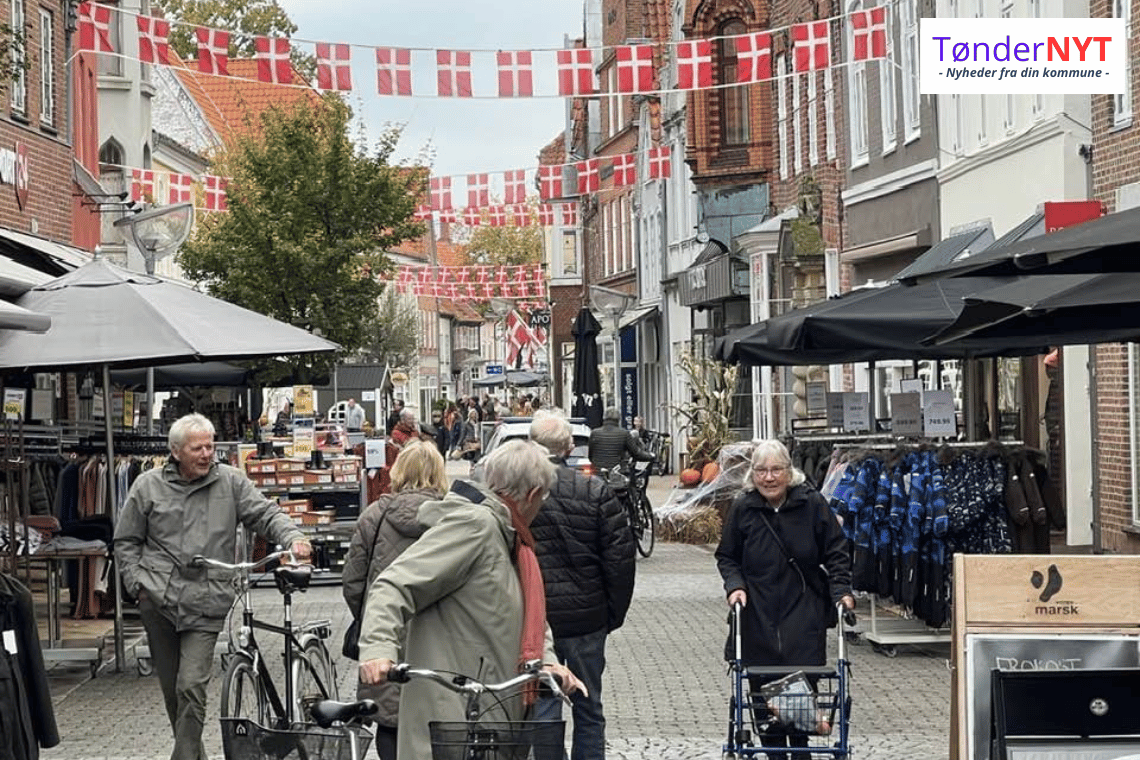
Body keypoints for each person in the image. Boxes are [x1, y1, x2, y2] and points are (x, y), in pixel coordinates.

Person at [358, 440, 586, 760]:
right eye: (545, 496)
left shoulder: (509, 536)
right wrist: (379, 648)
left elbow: (526, 615)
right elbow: (393, 585)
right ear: (533, 495)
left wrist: (547, 659)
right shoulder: (477, 526)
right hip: (459, 720)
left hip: (488, 717)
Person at [114, 413, 312, 760]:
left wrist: (293, 536)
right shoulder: (147, 485)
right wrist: (136, 584)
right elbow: (126, 540)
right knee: (173, 692)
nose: (206, 453)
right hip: (158, 600)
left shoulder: (231, 482)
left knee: (191, 685)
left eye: (210, 445)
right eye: (197, 448)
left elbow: (266, 514)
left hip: (207, 598)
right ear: (176, 451)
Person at [715, 439, 854, 760]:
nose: (768, 477)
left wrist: (842, 592)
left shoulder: (812, 504)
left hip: (802, 613)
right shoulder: (744, 507)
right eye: (761, 470)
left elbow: (836, 552)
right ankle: (773, 753)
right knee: (763, 702)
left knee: (800, 700)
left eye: (776, 469)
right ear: (753, 473)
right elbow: (727, 556)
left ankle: (801, 752)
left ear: (788, 471)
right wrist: (735, 587)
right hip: (757, 615)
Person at [528, 411, 635, 760]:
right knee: (588, 705)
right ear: (569, 447)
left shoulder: (521, 493)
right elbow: (619, 561)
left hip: (535, 617)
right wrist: (611, 615)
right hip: (586, 618)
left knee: (544, 707)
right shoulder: (594, 490)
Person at [342, 441, 448, 760]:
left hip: (387, 637)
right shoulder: (454, 515)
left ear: (399, 472)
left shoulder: (374, 516)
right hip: (441, 636)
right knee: (440, 719)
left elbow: (352, 581)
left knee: (391, 721)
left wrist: (370, 619)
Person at [588, 407, 655, 473]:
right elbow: (636, 453)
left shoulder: (594, 433)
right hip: (618, 473)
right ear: (619, 419)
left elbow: (590, 455)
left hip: (598, 473)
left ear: (604, 418)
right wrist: (650, 456)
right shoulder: (624, 433)